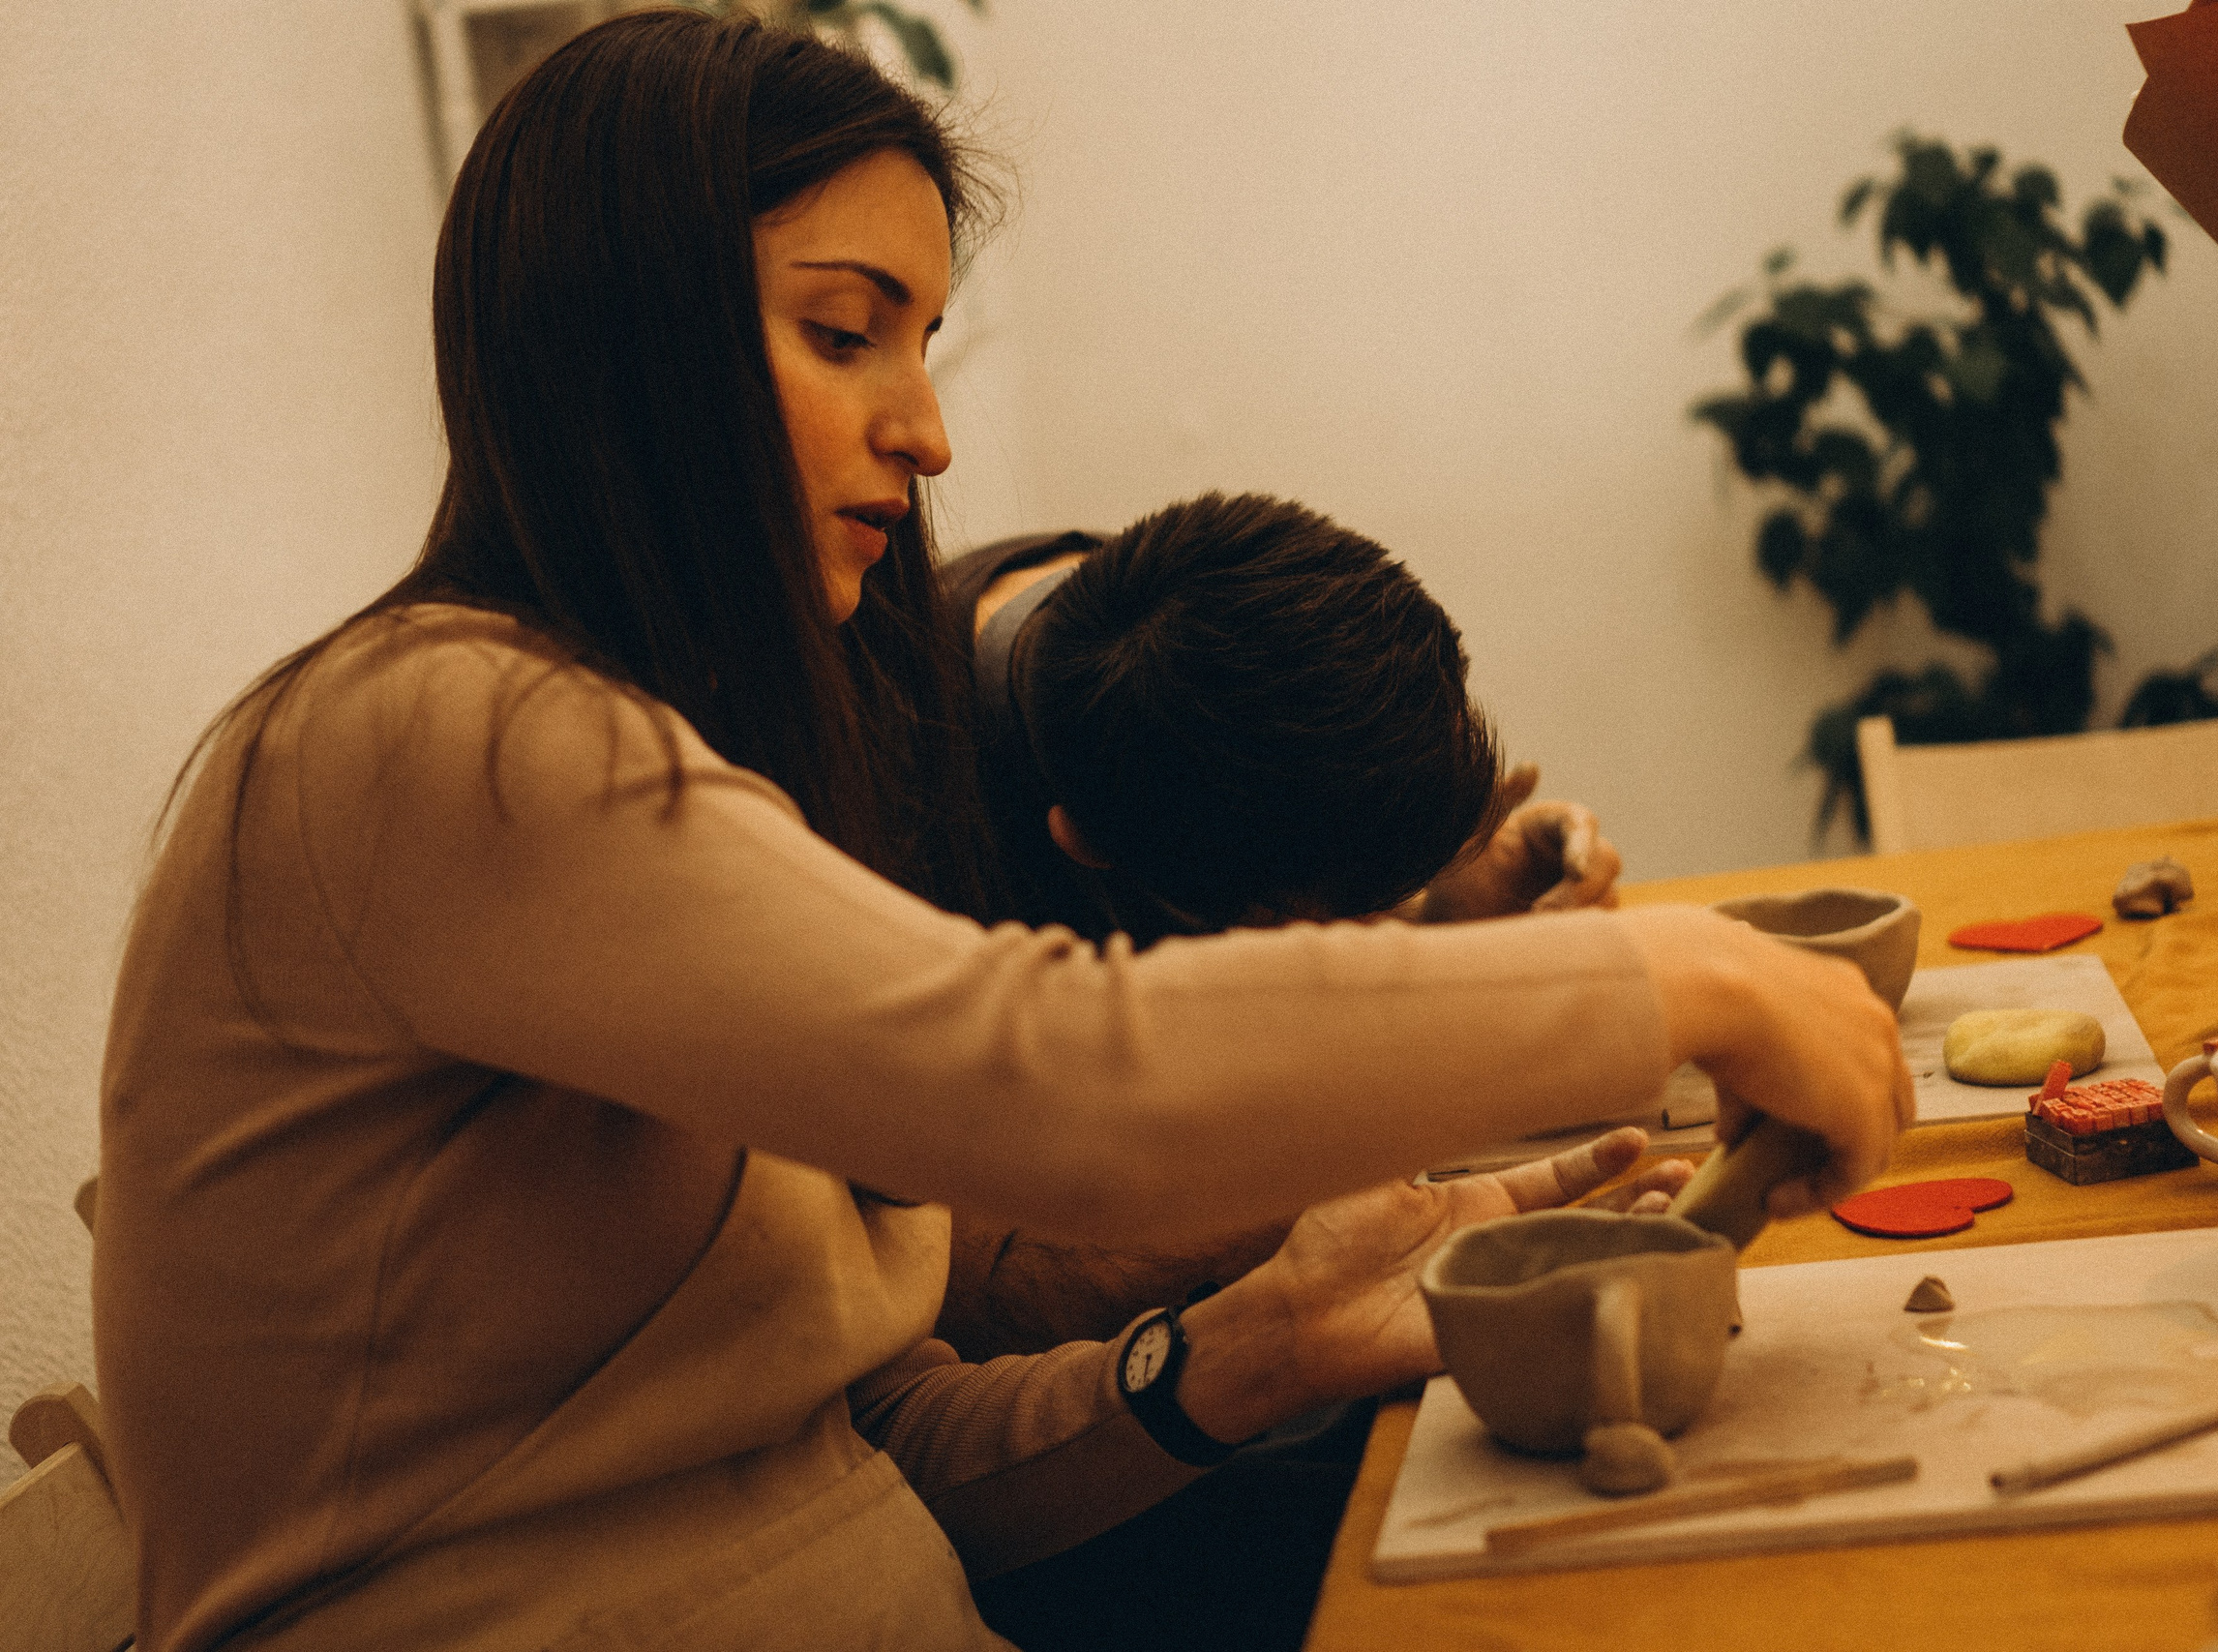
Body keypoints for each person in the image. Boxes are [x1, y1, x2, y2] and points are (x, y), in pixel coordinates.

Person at [91, 14, 1912, 1652]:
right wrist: (1660, 973)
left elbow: (869, 1462)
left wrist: (1252, 1347)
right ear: (623, 343)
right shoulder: (437, 736)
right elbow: (1041, 1074)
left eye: (925, 340)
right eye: (840, 331)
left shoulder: (678, 776)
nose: (932, 432)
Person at [941, 494, 1624, 1364]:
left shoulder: (1189, 619)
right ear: (1086, 846)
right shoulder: (885, 828)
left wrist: (1454, 906)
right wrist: (1311, 1171)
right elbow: (986, 1305)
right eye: (1333, 916)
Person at [948, 493, 1618, 952]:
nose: (1359, 934)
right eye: (1311, 917)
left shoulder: (1173, 604)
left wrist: (1440, 900)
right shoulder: (911, 860)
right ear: (1084, 845)